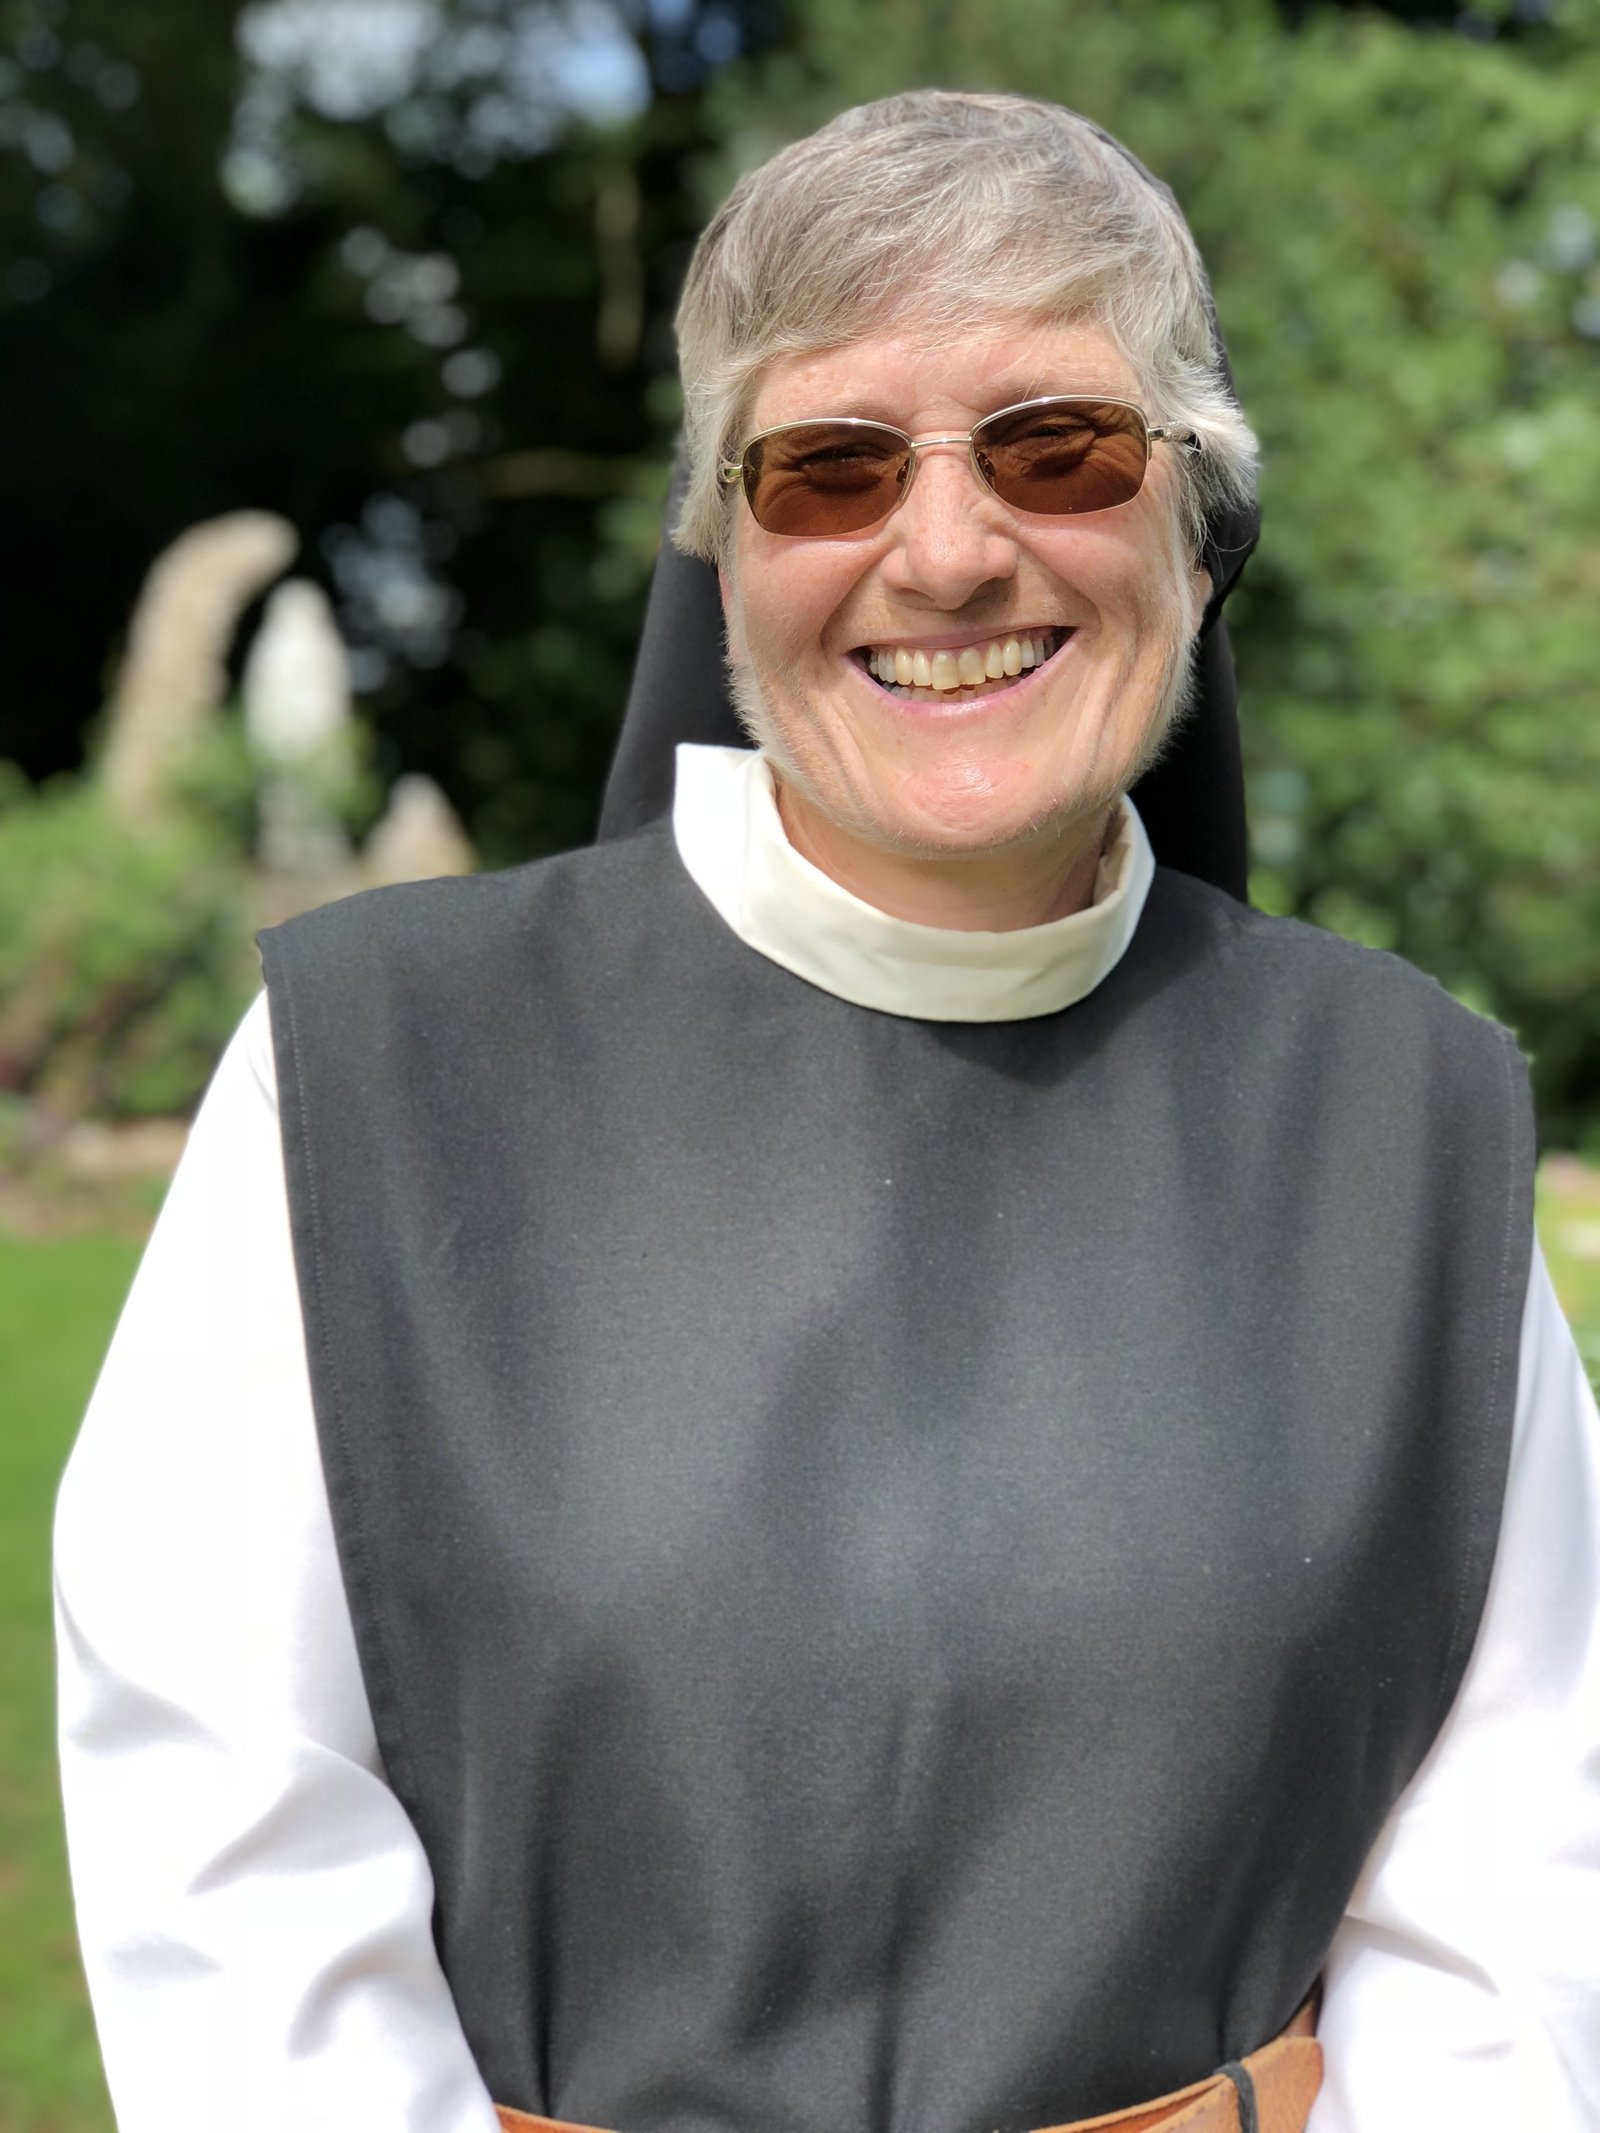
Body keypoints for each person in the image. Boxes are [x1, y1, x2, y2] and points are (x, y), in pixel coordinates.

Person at [55, 90, 1599, 2133]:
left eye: (1056, 446)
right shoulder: (366, 1079)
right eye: (831, 467)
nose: (946, 551)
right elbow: (234, 1877)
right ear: (721, 555)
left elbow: (1514, 1904)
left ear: (1195, 520)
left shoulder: (1406, 1127)